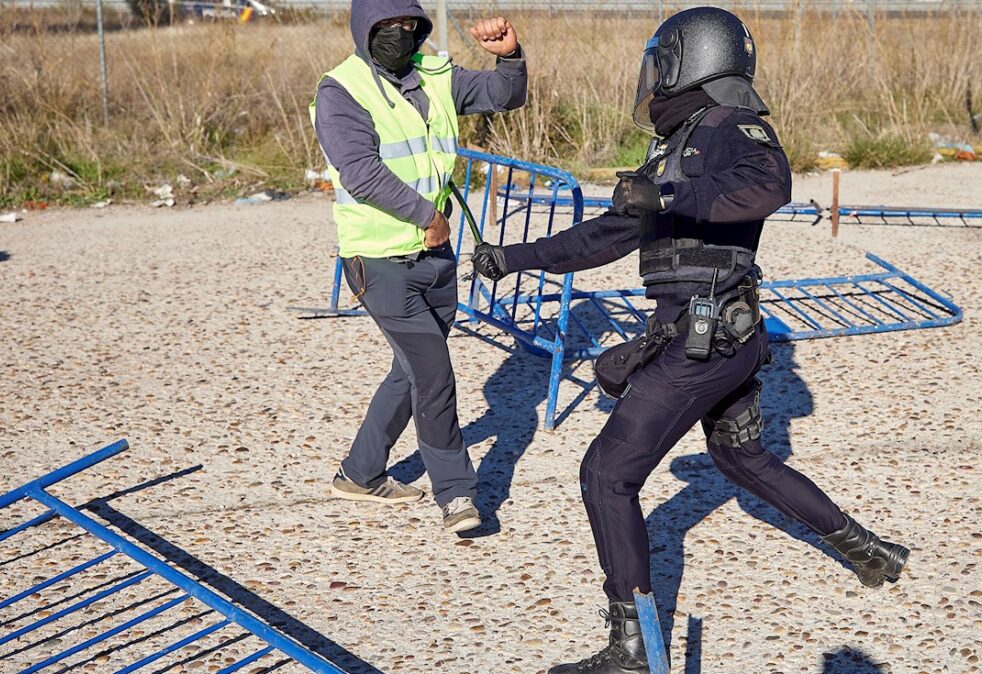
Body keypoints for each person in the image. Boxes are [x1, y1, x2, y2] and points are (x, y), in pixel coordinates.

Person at [472, 8, 909, 672]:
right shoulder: (674, 143)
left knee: (604, 475)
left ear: (689, 60)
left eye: (660, 64)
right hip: (714, 338)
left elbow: (769, 186)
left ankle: (632, 650)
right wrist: (514, 256)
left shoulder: (734, 126)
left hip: (702, 342)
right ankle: (873, 554)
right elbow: (606, 235)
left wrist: (667, 190)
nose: (651, 79)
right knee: (744, 462)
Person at [310, 1, 526, 535]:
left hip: (435, 257)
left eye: (409, 26)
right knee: (433, 374)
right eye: (386, 28)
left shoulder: (435, 76)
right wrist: (426, 215)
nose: (399, 36)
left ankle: (359, 474)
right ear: (364, 30)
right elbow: (360, 172)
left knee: (410, 370)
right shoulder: (341, 91)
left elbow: (505, 97)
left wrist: (511, 58)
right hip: (378, 258)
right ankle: (456, 494)